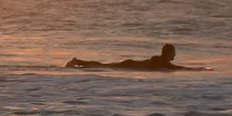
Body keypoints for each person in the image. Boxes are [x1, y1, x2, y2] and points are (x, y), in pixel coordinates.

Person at [65, 44, 206, 71]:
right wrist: (199, 69)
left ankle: (78, 62)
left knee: (104, 65)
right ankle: (77, 62)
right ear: (168, 53)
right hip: (130, 65)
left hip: (131, 64)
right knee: (102, 66)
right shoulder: (163, 62)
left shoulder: (161, 61)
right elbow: (178, 68)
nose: (175, 55)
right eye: (173, 52)